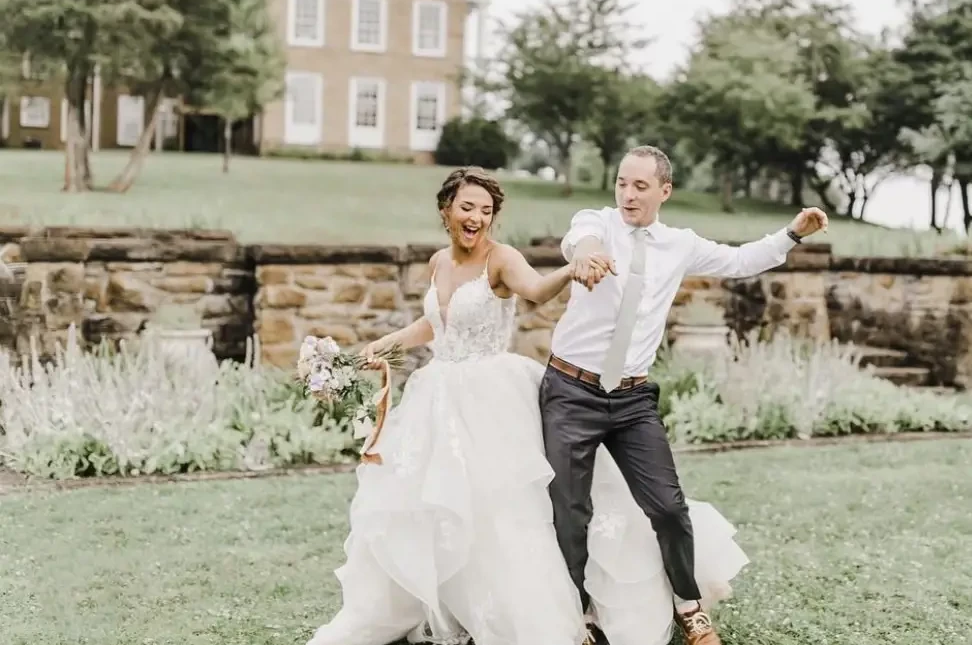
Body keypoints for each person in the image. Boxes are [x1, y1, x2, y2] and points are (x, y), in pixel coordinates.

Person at [305, 166, 754, 645]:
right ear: (446, 211)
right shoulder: (438, 261)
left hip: (491, 396)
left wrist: (573, 268)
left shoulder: (502, 259)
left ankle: (548, 614)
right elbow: (434, 324)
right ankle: (455, 608)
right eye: (467, 207)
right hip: (437, 396)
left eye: (486, 209)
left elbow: (537, 293)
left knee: (507, 508)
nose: (477, 216)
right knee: (440, 505)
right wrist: (373, 350)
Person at [543, 145, 828, 645]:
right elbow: (578, 239)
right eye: (622, 183)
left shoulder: (680, 243)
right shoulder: (597, 223)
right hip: (570, 392)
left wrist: (791, 234)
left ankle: (688, 606)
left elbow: (740, 260)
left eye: (640, 186)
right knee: (569, 511)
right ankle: (579, 614)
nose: (627, 194)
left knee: (670, 507)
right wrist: (586, 253)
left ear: (664, 191)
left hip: (632, 402)